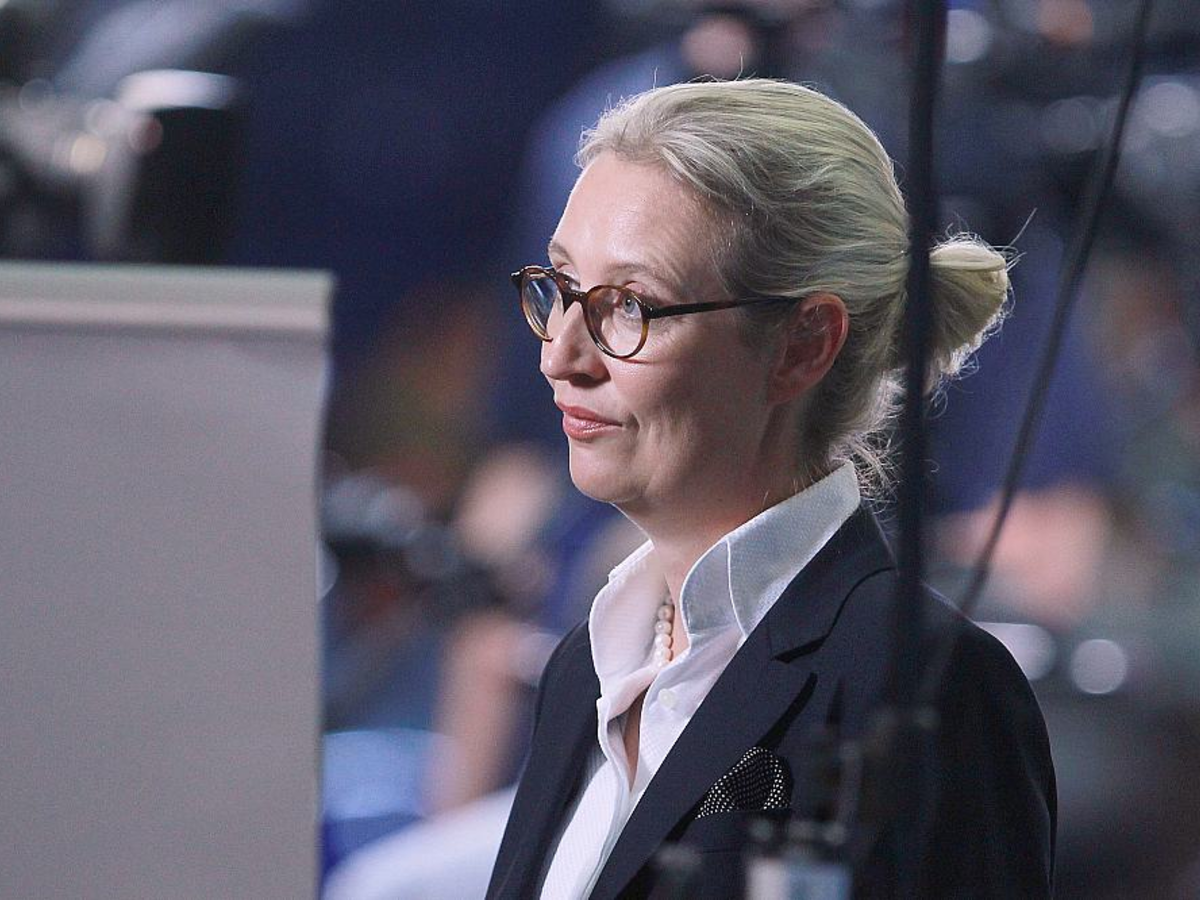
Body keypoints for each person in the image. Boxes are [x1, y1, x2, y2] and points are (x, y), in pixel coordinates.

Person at [486, 79, 1056, 899]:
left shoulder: (930, 686)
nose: (560, 356)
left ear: (803, 346)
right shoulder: (586, 668)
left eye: (629, 305)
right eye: (562, 287)